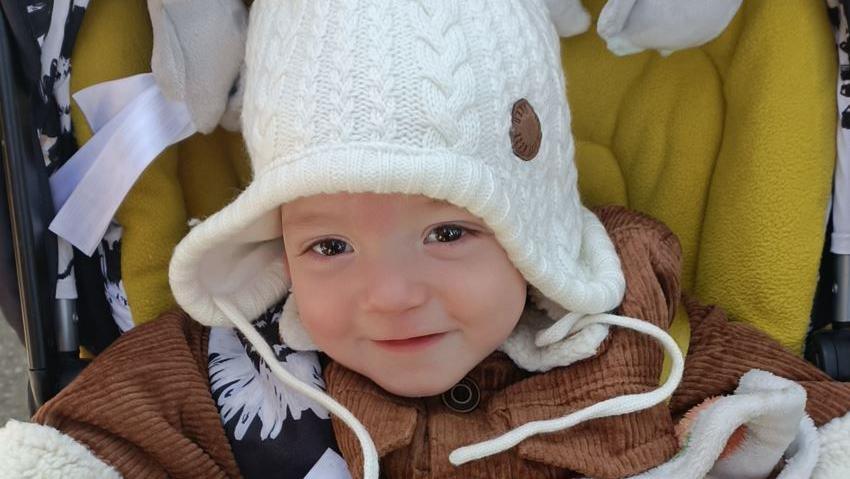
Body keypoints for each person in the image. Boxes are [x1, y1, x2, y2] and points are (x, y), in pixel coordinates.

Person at [2, 1, 850, 478]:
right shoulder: (225, 356)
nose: (391, 295)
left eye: (447, 230)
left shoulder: (629, 310)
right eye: (328, 245)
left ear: (533, 222)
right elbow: (80, 452)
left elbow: (822, 421)